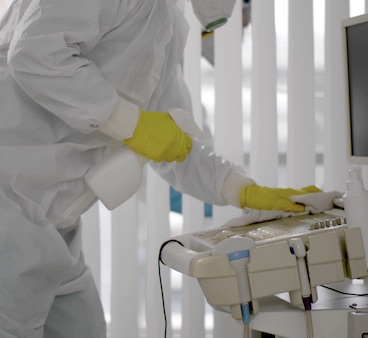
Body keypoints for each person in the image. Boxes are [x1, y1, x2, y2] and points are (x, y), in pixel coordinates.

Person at [0, 0, 323, 337]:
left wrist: (240, 189)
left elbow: (173, 141)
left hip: (52, 226)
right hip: (9, 209)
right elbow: (34, 53)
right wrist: (130, 123)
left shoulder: (164, 23)